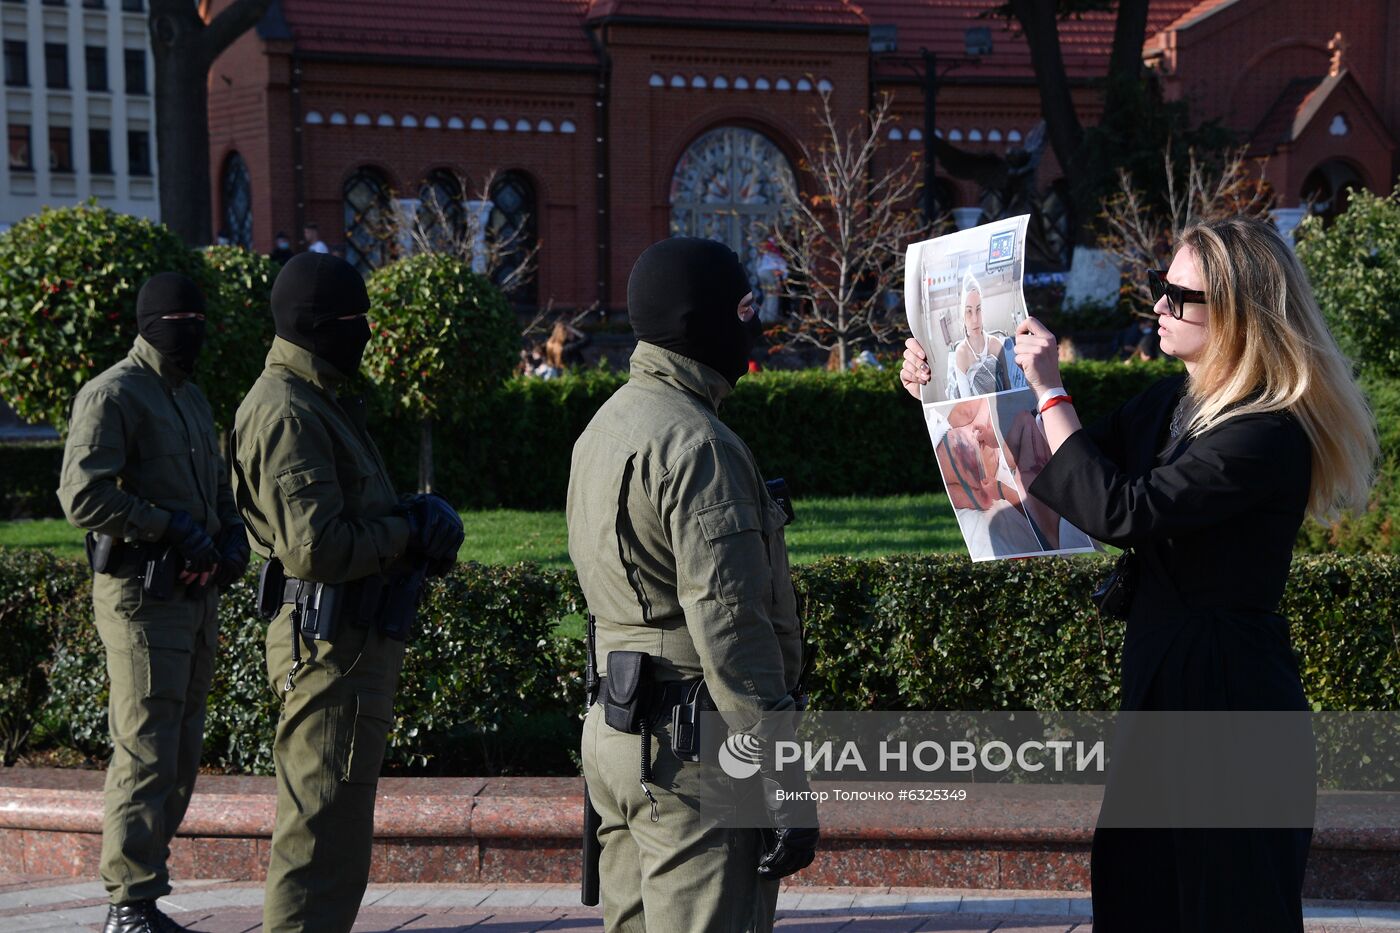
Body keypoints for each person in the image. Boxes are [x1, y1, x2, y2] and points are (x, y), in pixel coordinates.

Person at [901, 216, 1378, 931]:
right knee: (1137, 891)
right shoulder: (1169, 404)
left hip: (1231, 696)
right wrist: (945, 393)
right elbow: (1059, 470)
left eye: (1179, 295)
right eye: (1161, 286)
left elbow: (1121, 509)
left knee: (1230, 902)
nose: (1157, 304)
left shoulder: (1266, 432)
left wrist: (1054, 390)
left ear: (1239, 315)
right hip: (1163, 678)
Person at [568, 237, 817, 932]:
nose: (755, 325)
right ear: (698, 318)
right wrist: (782, 777)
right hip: (692, 752)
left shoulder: (605, 425)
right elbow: (731, 628)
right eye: (744, 308)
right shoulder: (700, 445)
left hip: (615, 731)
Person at [232, 252, 464, 933]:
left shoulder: (320, 398)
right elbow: (317, 547)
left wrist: (411, 519)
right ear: (316, 325)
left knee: (337, 840)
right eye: (354, 319)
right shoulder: (285, 410)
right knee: (316, 841)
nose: (365, 331)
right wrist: (407, 529)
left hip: (350, 647)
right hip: (327, 649)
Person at [58, 273, 251, 933]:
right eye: (181, 316)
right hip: (141, 600)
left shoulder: (192, 398)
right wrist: (166, 525)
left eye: (199, 315)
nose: (192, 326)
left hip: (194, 600)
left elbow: (219, 491)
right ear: (151, 321)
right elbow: (82, 496)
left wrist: (229, 539)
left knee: (181, 750)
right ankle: (127, 903)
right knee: (144, 747)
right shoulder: (113, 394)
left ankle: (143, 891)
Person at [945, 270, 1019, 398]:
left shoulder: (996, 345)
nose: (975, 319)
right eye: (969, 311)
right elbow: (967, 402)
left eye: (978, 309)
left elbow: (1008, 388)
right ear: (963, 316)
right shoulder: (961, 354)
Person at [755, 238, 787, 324]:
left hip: (761, 272)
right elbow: (783, 268)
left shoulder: (766, 251)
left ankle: (761, 318)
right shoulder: (776, 252)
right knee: (773, 297)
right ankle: (770, 320)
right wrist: (781, 281)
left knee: (767, 297)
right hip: (770, 273)